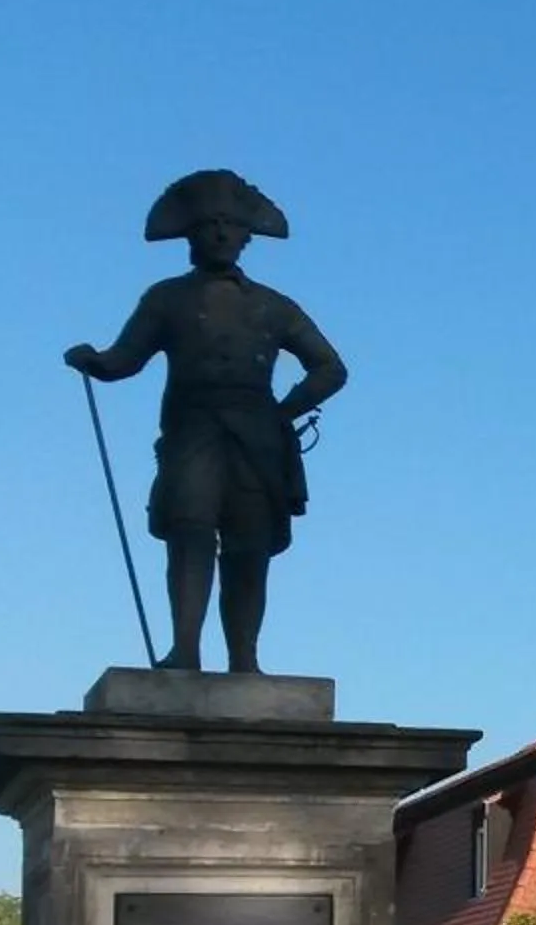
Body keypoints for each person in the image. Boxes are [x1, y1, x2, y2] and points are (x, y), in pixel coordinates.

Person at [66, 170, 346, 674]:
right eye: (209, 224)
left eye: (230, 224)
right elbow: (125, 359)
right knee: (189, 529)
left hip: (257, 435)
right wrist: (96, 361)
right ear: (190, 234)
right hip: (192, 428)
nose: (219, 233)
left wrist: (285, 411)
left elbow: (330, 367)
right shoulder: (166, 298)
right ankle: (185, 650)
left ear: (247, 236)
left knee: (249, 545)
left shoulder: (274, 306)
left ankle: (245, 658)